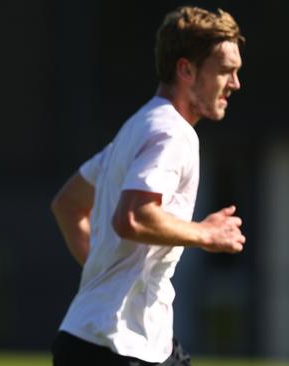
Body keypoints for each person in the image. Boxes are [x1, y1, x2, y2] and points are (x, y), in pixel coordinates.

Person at [50, 6, 246, 366]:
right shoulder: (172, 133)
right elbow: (135, 218)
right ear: (186, 69)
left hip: (109, 339)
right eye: (225, 71)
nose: (234, 83)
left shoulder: (137, 126)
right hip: (117, 346)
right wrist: (206, 234)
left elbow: (68, 204)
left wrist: (105, 269)